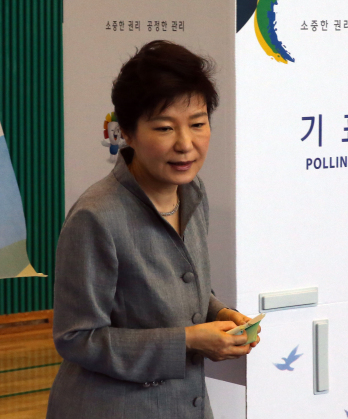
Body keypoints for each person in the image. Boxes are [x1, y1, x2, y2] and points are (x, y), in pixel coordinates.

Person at [46, 40, 259, 419]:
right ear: (126, 132)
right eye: (164, 127)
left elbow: (184, 287)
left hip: (185, 403)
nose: (185, 144)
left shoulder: (192, 192)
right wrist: (191, 340)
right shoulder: (96, 217)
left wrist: (221, 313)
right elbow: (77, 339)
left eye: (197, 124)